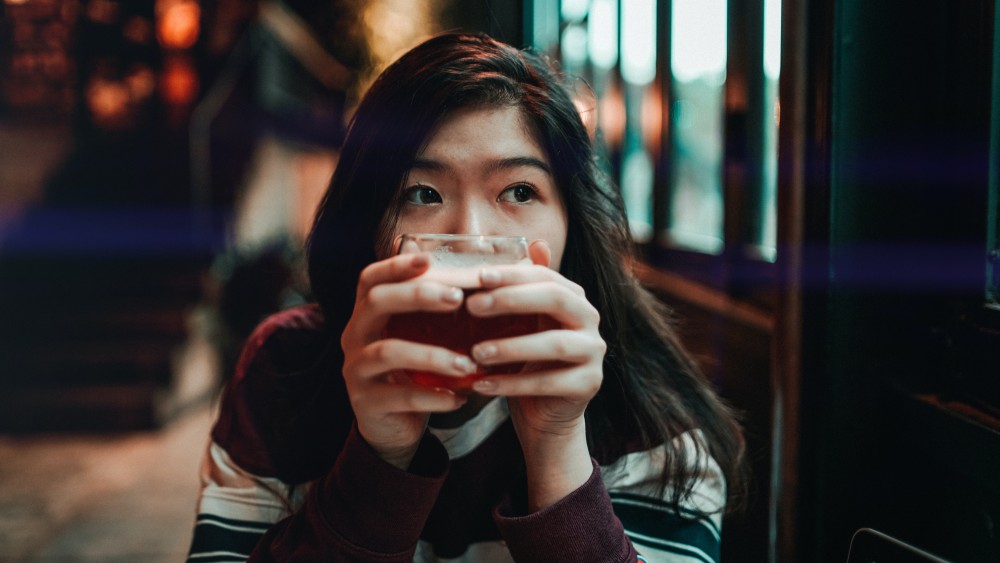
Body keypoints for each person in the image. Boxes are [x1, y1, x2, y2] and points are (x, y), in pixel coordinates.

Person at [186, 33, 746, 562]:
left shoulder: (651, 421)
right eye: (422, 193)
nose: (473, 240)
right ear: (368, 221)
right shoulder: (285, 370)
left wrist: (557, 448)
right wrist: (379, 461)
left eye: (519, 191)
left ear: (573, 220)